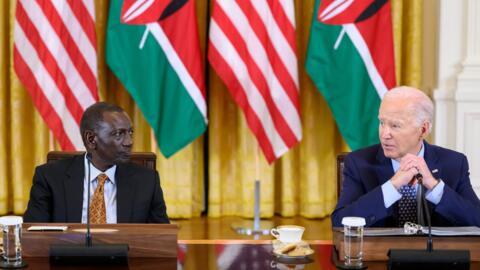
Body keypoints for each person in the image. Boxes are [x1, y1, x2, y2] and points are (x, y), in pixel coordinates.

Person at [332, 86, 480, 227]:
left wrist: (433, 186)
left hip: (437, 254)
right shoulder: (359, 163)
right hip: (379, 253)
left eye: (395, 126)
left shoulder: (454, 163)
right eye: (382, 123)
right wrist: (392, 186)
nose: (384, 134)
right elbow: (340, 222)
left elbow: (477, 218)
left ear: (423, 129)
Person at [24, 102, 169, 223]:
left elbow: (162, 239)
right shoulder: (50, 177)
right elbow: (33, 235)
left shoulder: (147, 181)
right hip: (68, 256)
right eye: (119, 134)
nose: (129, 142)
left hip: (126, 257)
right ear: (91, 139)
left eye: (130, 132)